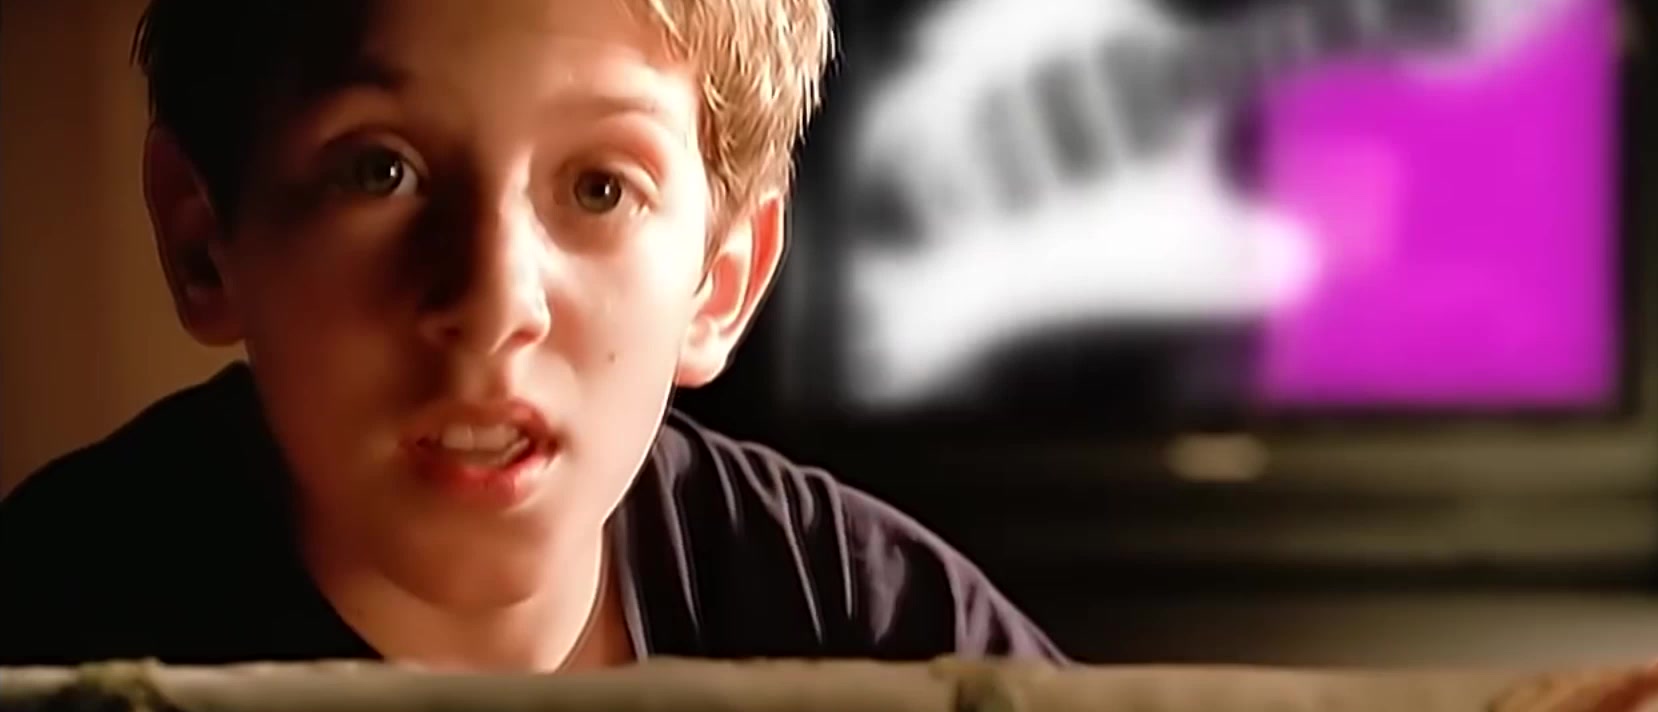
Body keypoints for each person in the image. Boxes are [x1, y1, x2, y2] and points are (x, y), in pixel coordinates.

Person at [0, 0, 1064, 671]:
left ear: (722, 281)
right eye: (380, 170)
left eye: (600, 188)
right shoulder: (47, 645)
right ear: (202, 239)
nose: (495, 300)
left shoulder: (869, 633)